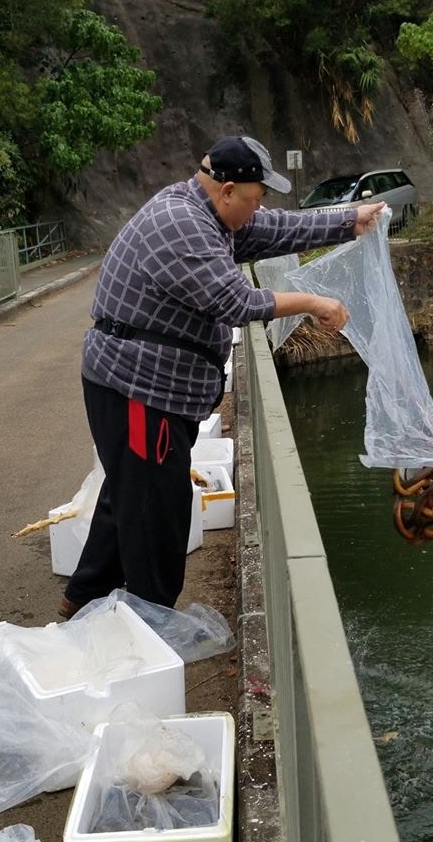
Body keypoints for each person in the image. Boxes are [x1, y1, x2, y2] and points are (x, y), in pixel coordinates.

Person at [59, 135, 385, 617]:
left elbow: (276, 229)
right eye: (253, 199)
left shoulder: (212, 216)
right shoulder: (182, 225)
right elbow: (238, 303)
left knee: (127, 496)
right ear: (228, 190)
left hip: (146, 389)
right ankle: (155, 625)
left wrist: (347, 222)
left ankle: (79, 600)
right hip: (139, 389)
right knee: (157, 516)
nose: (257, 211)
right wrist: (314, 302)